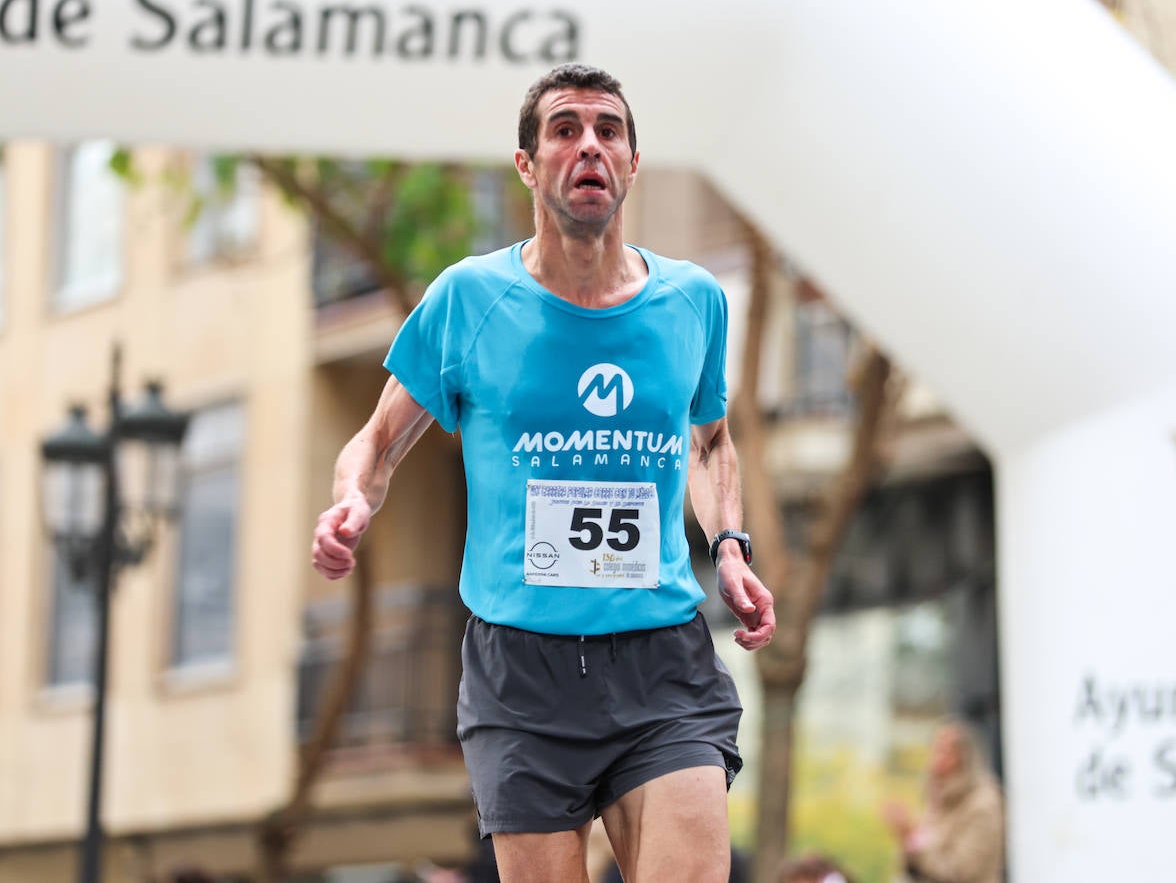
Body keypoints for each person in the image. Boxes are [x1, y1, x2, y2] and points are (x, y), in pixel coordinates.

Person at [311, 63, 776, 883]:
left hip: (661, 659)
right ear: (527, 164)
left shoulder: (692, 301)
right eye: (565, 129)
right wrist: (352, 501)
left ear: (632, 162)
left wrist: (731, 545)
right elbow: (376, 444)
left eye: (609, 130)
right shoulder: (469, 299)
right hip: (521, 674)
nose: (589, 145)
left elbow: (708, 445)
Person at [882, 718, 1004, 883]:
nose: (937, 760)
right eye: (936, 749)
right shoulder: (938, 798)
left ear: (965, 757)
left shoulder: (982, 803)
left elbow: (959, 872)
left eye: (947, 751)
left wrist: (912, 837)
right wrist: (907, 839)